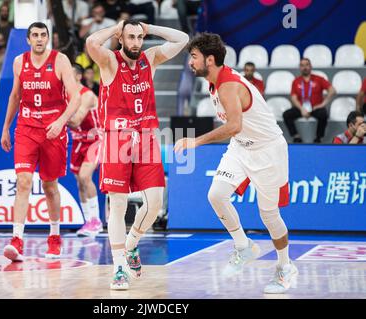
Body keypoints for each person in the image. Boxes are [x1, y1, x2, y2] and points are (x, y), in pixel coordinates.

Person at [174, 33, 298, 294]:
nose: (190, 62)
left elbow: (233, 125)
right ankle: (244, 246)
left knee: (269, 215)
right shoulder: (213, 82)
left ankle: (285, 266)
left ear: (210, 59)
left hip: (268, 151)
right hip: (241, 147)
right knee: (216, 195)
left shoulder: (228, 85)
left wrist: (195, 142)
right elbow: (237, 131)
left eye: (193, 57)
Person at [86, 19, 188, 289]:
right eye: (130, 37)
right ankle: (119, 267)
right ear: (121, 38)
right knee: (118, 204)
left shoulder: (149, 59)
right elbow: (91, 43)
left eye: (138, 37)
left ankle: (131, 244)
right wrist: (116, 27)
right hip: (116, 140)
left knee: (155, 203)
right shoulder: (109, 61)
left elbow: (182, 39)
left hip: (145, 139)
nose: (135, 43)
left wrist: (149, 28)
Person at [0, 22, 80, 262]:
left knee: (49, 186)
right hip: (26, 128)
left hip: (53, 130)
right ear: (27, 39)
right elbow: (15, 96)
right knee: (23, 181)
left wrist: (62, 121)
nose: (39, 39)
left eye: (43, 35)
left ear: (48, 38)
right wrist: (6, 127)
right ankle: (17, 240)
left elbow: (75, 97)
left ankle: (54, 237)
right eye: (34, 35)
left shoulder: (60, 60)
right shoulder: (19, 62)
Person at [68, 64, 103, 237]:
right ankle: (88, 221)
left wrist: (56, 115)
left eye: (69, 74)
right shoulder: (65, 96)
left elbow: (76, 120)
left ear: (78, 76)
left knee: (85, 177)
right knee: (79, 182)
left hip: (94, 140)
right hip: (77, 142)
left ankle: (96, 222)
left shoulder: (87, 95)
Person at [283, 58, 336, 143]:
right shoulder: (296, 81)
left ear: (311, 66)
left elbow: (332, 90)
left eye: (307, 65)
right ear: (300, 67)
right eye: (302, 65)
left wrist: (322, 104)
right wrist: (301, 109)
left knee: (323, 114)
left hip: (315, 108)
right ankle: (296, 136)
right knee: (286, 114)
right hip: (301, 108)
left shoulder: (319, 79)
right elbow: (293, 97)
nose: (305, 67)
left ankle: (318, 138)